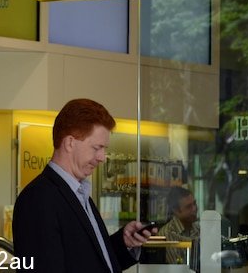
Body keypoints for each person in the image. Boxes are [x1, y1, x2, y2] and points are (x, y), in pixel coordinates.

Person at [12, 98, 154, 273]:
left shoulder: (78, 192)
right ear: (70, 143)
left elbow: (89, 261)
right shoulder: (37, 199)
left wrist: (123, 242)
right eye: (97, 148)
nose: (102, 157)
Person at [158, 186, 200, 267]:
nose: (194, 209)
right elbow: (178, 268)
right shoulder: (166, 235)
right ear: (176, 211)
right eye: (189, 207)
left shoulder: (197, 228)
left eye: (194, 203)